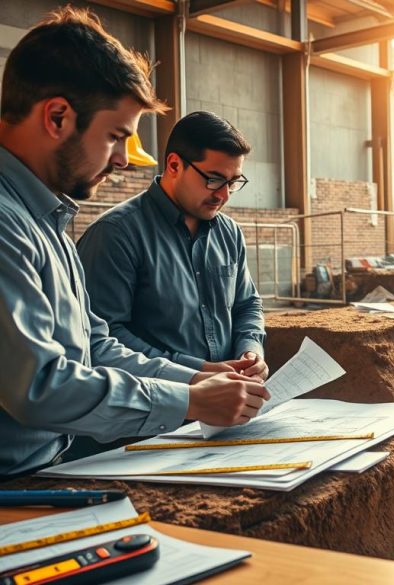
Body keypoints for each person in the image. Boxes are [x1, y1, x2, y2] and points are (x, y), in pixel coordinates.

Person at [0, 7, 268, 477]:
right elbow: (39, 386)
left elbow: (96, 346)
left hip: (43, 473)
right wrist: (187, 398)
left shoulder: (49, 223)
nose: (124, 160)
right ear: (58, 117)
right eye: (115, 137)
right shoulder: (10, 226)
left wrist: (200, 380)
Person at [78, 112, 268, 381]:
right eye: (213, 179)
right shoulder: (115, 234)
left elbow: (247, 304)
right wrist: (194, 371)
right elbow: (102, 337)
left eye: (233, 182)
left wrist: (251, 351)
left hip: (227, 403)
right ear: (175, 165)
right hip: (154, 412)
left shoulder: (229, 233)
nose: (223, 194)